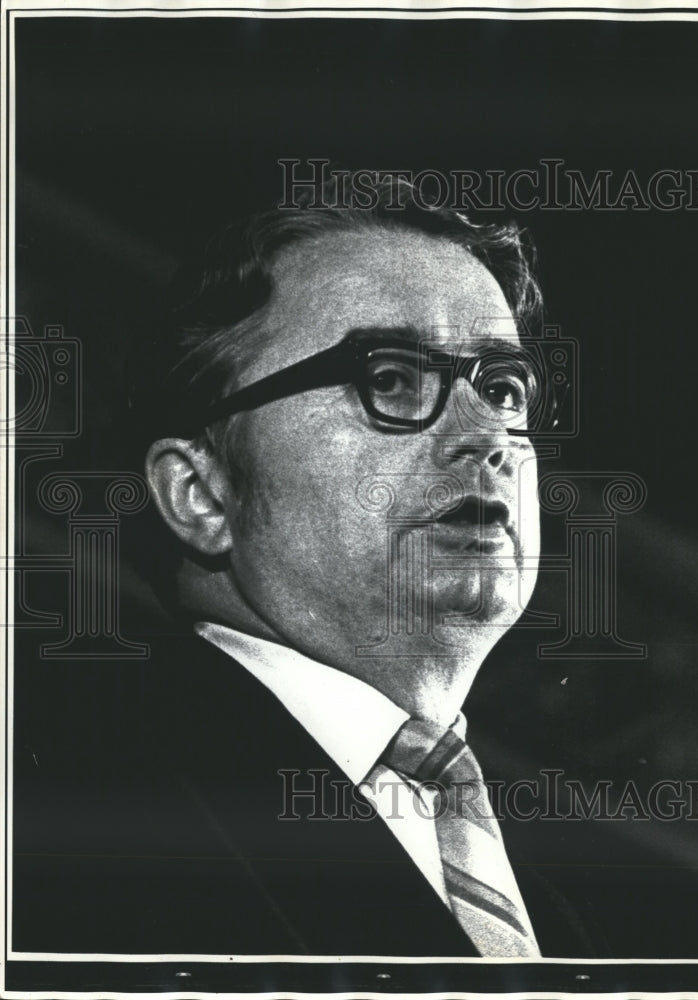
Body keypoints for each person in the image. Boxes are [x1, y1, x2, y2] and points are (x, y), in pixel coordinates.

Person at [12, 180, 599, 959]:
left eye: (500, 387)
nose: (486, 435)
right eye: (389, 378)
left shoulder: (558, 909)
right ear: (203, 494)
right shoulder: (67, 800)